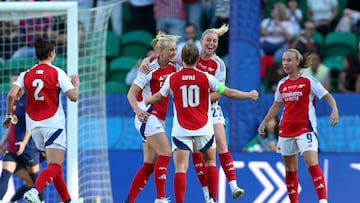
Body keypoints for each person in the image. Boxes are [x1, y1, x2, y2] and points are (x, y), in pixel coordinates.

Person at [144, 43, 259, 203]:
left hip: (181, 129)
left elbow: (159, 97)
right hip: (204, 127)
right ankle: (212, 199)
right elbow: (229, 92)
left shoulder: (173, 78)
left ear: (182, 59)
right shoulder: (206, 78)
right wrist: (249, 95)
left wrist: (148, 99)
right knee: (211, 162)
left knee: (181, 168)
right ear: (197, 60)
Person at [2, 38, 81, 203]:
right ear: (52, 54)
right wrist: (75, 85)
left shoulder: (26, 73)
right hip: (53, 125)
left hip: (35, 129)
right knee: (56, 165)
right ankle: (35, 191)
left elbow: (11, 95)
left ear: (37, 55)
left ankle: (67, 200)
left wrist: (9, 115)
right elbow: (73, 97)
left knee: (54, 165)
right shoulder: (58, 72)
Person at [258, 48, 339, 203]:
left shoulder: (308, 81)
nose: (285, 63)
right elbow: (276, 106)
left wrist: (334, 109)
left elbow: (327, 96)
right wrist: (264, 121)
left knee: (311, 163)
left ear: (298, 62)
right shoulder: (282, 84)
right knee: (290, 169)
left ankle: (323, 200)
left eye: (289, 60)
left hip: (305, 129)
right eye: (283, 60)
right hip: (286, 130)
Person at [124, 34, 181, 203]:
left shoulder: (174, 67)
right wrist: (137, 110)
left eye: (175, 50)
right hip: (147, 116)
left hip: (159, 118)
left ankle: (129, 201)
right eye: (171, 50)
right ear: (161, 51)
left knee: (149, 164)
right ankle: (160, 197)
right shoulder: (149, 69)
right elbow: (131, 94)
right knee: (166, 153)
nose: (174, 53)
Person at [0, 74, 43, 203]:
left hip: (28, 147)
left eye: (16, 84)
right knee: (5, 176)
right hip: (12, 148)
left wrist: (24, 142)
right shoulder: (13, 102)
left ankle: (42, 201)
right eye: (12, 84)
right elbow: (11, 125)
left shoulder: (29, 101)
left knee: (34, 181)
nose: (13, 87)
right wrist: (2, 143)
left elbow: (32, 124)